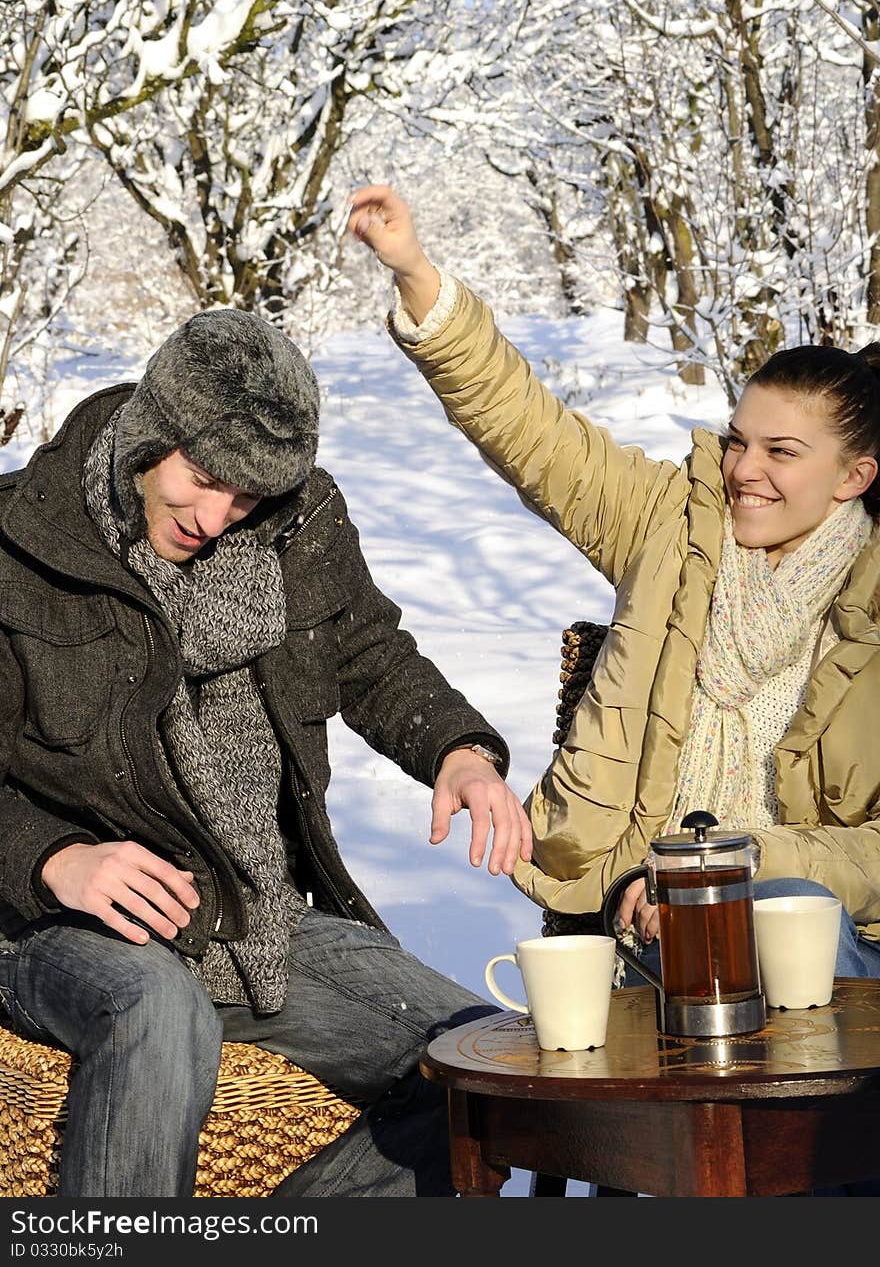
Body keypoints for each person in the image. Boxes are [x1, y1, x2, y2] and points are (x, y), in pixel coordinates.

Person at [0, 305, 532, 1197]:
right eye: (201, 479)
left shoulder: (299, 528)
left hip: (248, 912)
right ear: (148, 436)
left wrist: (459, 749)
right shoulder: (22, 538)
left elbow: (367, 652)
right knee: (159, 1008)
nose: (214, 516)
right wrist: (59, 859)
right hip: (46, 921)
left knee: (489, 1066)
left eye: (245, 497)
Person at [348, 182, 880, 987]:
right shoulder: (669, 523)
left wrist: (724, 871)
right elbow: (531, 431)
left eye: (782, 453)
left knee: (797, 925)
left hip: (828, 944)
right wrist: (416, 271)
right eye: (738, 443)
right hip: (649, 927)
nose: (746, 472)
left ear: (853, 477)